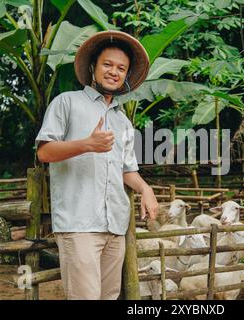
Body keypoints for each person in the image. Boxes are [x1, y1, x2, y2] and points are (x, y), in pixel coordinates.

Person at [35, 31, 158, 300]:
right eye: (107, 64)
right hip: (79, 224)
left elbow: (128, 169)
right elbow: (44, 152)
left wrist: (145, 189)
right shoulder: (66, 102)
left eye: (121, 68)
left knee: (109, 297)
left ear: (126, 76)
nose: (114, 72)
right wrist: (87, 144)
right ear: (93, 67)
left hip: (115, 225)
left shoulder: (122, 121)